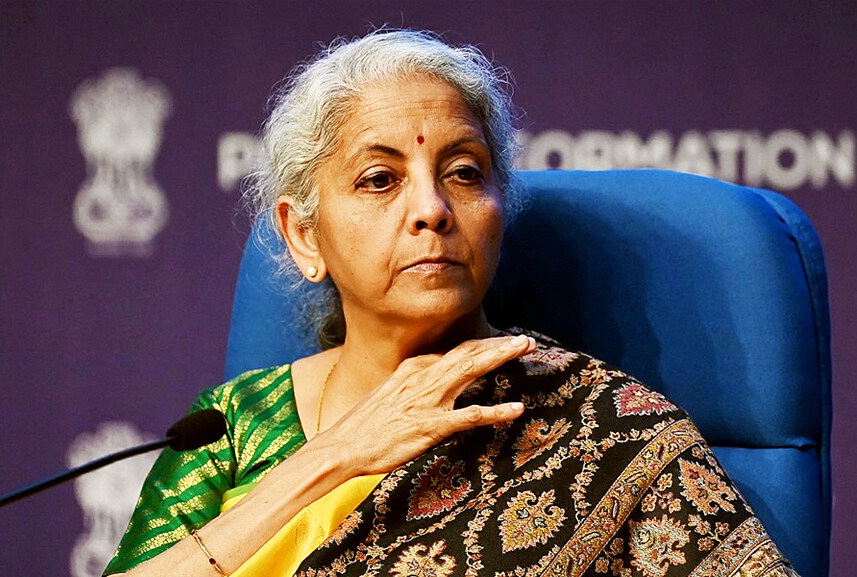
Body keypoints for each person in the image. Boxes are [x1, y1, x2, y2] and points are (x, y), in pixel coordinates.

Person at [105, 30, 797, 577]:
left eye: (464, 173)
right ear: (302, 234)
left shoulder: (606, 429)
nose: (431, 209)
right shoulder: (232, 429)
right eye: (379, 179)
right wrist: (334, 458)